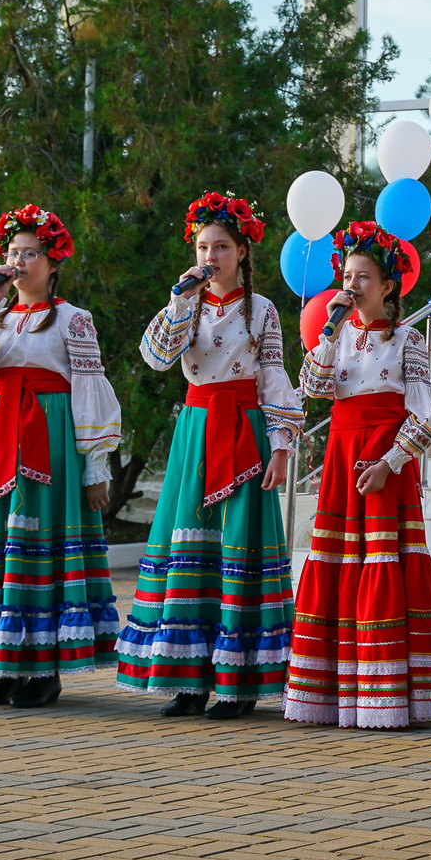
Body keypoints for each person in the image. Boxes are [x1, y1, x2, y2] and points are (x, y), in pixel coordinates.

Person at [117, 192, 302, 719]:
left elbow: (273, 377)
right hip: (196, 431)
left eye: (221, 246)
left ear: (242, 251)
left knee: (238, 545)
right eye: (202, 247)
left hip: (244, 431)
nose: (210, 256)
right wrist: (181, 301)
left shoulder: (262, 310)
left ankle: (238, 685)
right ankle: (189, 680)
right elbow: (156, 357)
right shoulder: (185, 304)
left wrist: (281, 447)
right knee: (191, 544)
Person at [0, 205, 124, 708]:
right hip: (2, 434)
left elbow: (89, 389)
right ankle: (5, 666)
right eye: (13, 252)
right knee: (3, 544)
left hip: (51, 438)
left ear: (53, 261)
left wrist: (95, 466)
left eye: (31, 253)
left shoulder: (73, 319)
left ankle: (44, 669)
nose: (19, 262)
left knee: (42, 544)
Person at [290, 220, 431, 728]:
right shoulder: (334, 336)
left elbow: (426, 417)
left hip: (384, 463)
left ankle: (387, 696)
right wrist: (329, 333)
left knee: (384, 565)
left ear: (387, 287)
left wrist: (389, 464)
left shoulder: (408, 340)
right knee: (337, 564)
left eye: (363, 277)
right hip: (342, 460)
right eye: (347, 276)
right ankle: (333, 695)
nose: (352, 285)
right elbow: (313, 388)